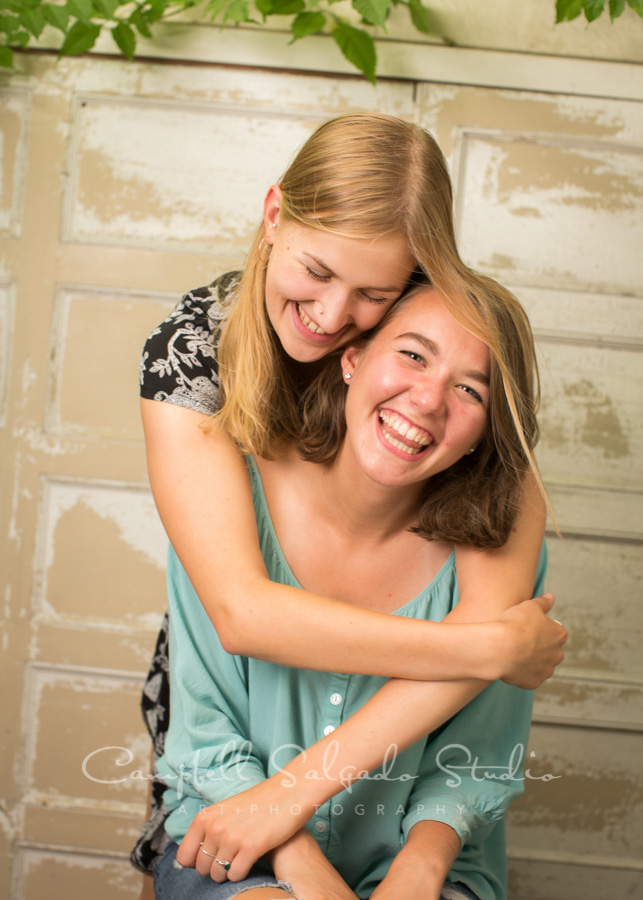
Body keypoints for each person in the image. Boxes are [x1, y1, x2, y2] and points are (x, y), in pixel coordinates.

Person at [135, 113, 565, 886]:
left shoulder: (437, 341)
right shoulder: (197, 350)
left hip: (383, 790)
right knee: (206, 833)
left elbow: (504, 462)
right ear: (273, 217)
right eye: (317, 272)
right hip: (234, 699)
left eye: (372, 292)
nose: (332, 319)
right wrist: (488, 647)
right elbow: (240, 616)